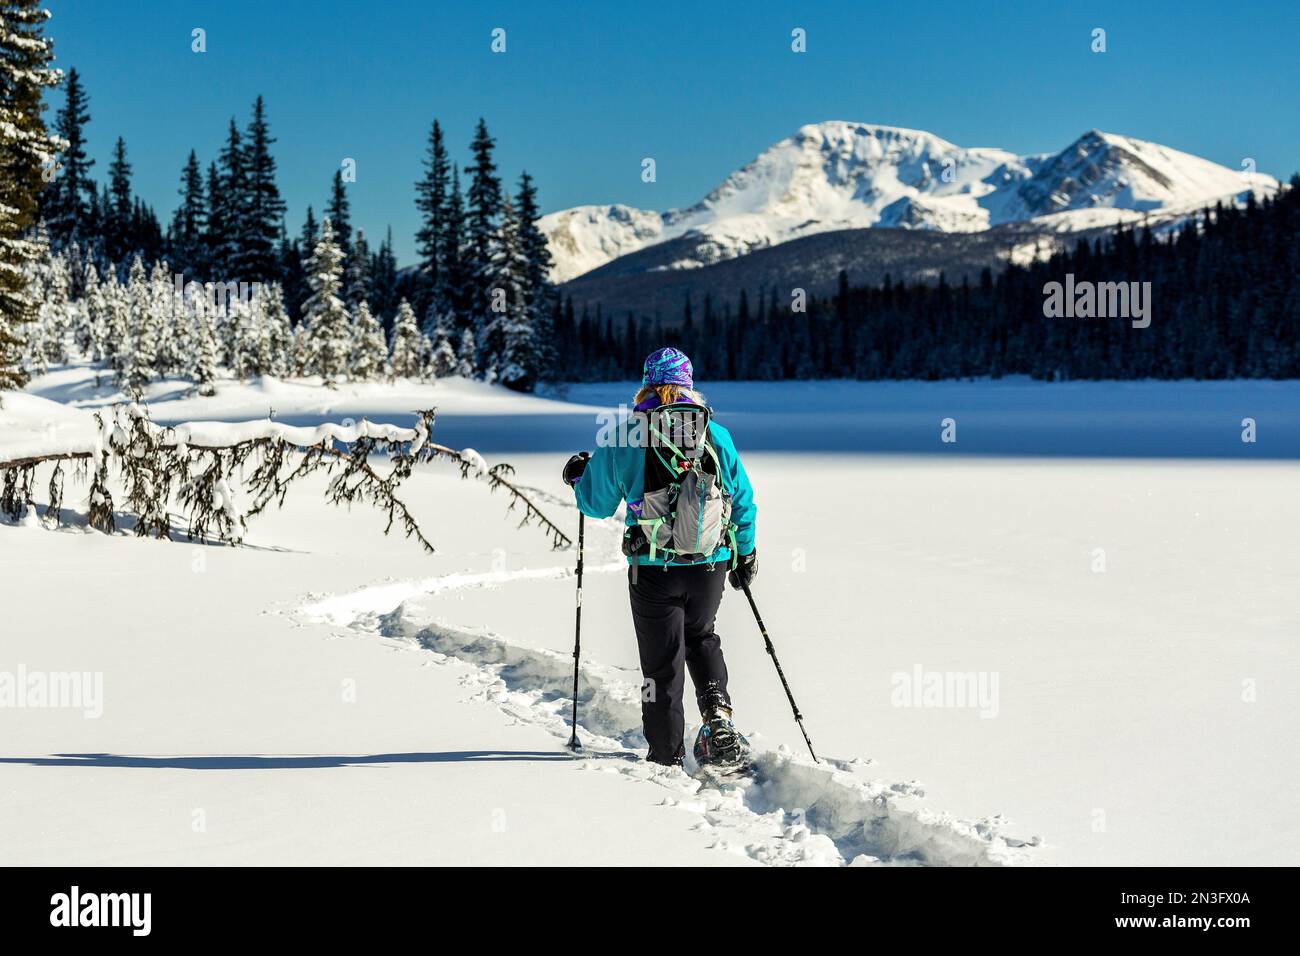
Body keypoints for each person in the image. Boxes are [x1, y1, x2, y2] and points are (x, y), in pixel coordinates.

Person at [562, 347, 758, 768]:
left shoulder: (627, 434)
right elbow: (741, 499)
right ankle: (718, 716)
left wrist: (578, 476)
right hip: (711, 562)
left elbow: (595, 505)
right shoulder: (714, 434)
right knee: (702, 635)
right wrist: (747, 553)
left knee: (661, 665)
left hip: (653, 569)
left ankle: (666, 756)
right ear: (689, 385)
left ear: (646, 384)